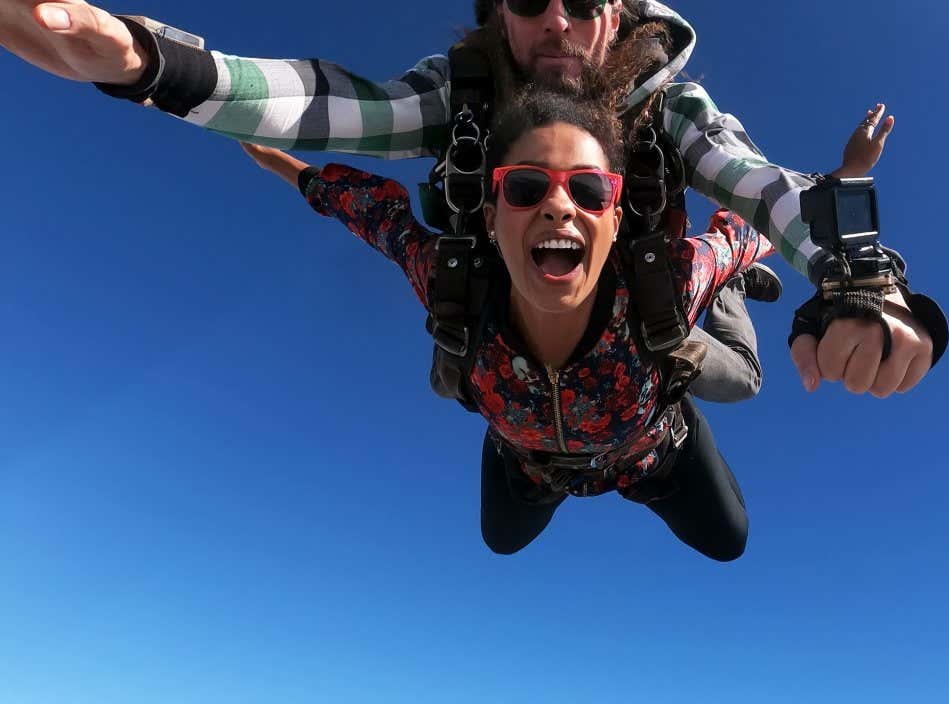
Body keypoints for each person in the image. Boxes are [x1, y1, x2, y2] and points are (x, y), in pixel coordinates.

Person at [0, 0, 944, 397]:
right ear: (498, 8)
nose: (558, 21)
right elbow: (327, 107)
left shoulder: (668, 101)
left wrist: (859, 275)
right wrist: (141, 60)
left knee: (724, 394)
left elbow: (754, 175)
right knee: (489, 450)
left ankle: (733, 276)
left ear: (620, 10)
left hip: (647, 315)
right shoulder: (460, 95)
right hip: (526, 349)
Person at [244, 83, 769, 560]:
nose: (559, 206)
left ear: (615, 217)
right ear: (491, 216)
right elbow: (373, 214)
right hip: (531, 465)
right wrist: (277, 161)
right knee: (501, 540)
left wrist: (843, 223)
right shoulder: (455, 281)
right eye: (524, 187)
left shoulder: (667, 281)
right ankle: (535, 444)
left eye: (588, 190)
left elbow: (757, 226)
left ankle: (728, 297)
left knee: (729, 538)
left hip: (655, 454)